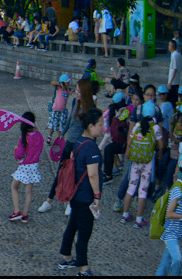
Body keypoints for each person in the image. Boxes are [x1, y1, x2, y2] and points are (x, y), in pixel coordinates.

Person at [57, 107, 104, 276]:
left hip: (75, 193)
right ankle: (84, 269)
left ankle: (67, 257)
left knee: (73, 226)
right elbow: (92, 174)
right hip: (86, 196)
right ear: (91, 126)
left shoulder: (79, 141)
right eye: (100, 124)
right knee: (84, 233)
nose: (103, 127)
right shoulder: (91, 147)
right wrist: (97, 196)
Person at [40, 77, 96, 214]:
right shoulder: (75, 103)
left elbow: (89, 132)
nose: (76, 93)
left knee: (74, 175)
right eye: (76, 90)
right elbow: (70, 119)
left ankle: (71, 202)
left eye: (79, 90)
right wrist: (62, 134)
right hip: (69, 143)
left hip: (79, 147)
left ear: (85, 92)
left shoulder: (90, 109)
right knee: (61, 171)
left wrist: (79, 149)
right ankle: (49, 200)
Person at [121, 101, 164, 226]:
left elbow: (130, 139)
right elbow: (161, 145)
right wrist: (160, 151)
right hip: (148, 163)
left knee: (131, 186)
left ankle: (125, 214)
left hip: (135, 161)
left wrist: (128, 150)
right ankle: (139, 219)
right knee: (143, 190)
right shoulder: (155, 127)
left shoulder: (138, 125)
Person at [10, 111, 43, 223]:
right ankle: (25, 214)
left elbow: (18, 154)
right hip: (34, 166)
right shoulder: (39, 136)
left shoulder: (23, 139)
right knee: (28, 191)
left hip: (24, 166)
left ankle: (16, 211)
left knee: (14, 187)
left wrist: (15, 149)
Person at [47, 74, 71, 145]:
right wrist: (60, 83)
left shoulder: (67, 90)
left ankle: (57, 140)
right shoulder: (58, 88)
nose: (69, 83)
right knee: (52, 125)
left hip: (62, 111)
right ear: (63, 82)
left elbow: (73, 90)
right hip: (55, 110)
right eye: (67, 82)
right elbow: (52, 82)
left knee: (60, 127)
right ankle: (50, 136)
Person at [168, 39, 182, 105]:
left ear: (172, 46)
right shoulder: (178, 54)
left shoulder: (175, 55)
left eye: (169, 45)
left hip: (174, 82)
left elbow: (175, 69)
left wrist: (170, 82)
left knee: (172, 99)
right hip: (176, 81)